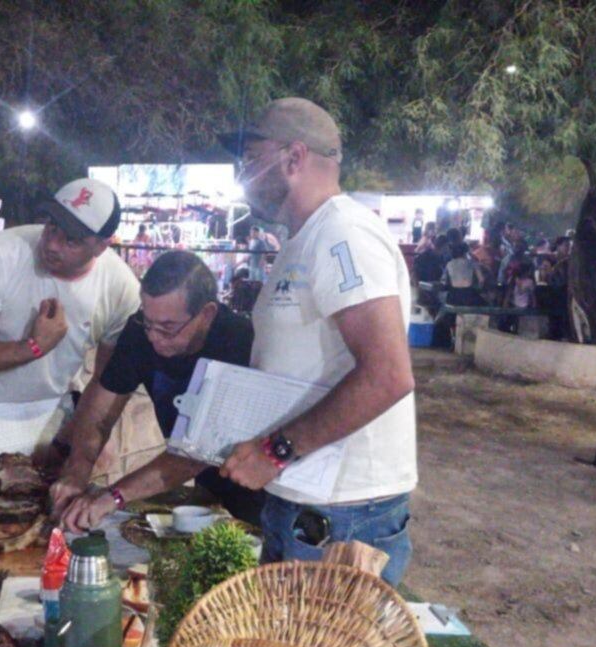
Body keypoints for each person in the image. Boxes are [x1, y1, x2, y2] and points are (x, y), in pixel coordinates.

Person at [216, 97, 417, 587]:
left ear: (293, 158)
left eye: (250, 157)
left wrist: (277, 451)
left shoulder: (343, 235)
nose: (241, 172)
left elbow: (388, 375)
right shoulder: (302, 240)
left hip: (343, 511)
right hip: (303, 497)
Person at [49, 251, 264, 531]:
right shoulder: (140, 331)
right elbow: (98, 415)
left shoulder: (237, 340)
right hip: (204, 486)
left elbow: (194, 455)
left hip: (255, 486)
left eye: (168, 328)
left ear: (206, 314)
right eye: (148, 322)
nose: (153, 337)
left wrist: (112, 497)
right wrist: (78, 470)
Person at [0, 178, 140, 473]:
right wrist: (33, 347)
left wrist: (79, 438)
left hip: (54, 409)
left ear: (101, 246)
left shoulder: (120, 287)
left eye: (71, 240)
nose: (51, 245)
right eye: (51, 227)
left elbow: (106, 379)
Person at [441, 241, 484, 306]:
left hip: (453, 298)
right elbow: (481, 280)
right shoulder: (473, 263)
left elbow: (443, 281)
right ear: (465, 252)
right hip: (470, 297)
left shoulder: (449, 264)